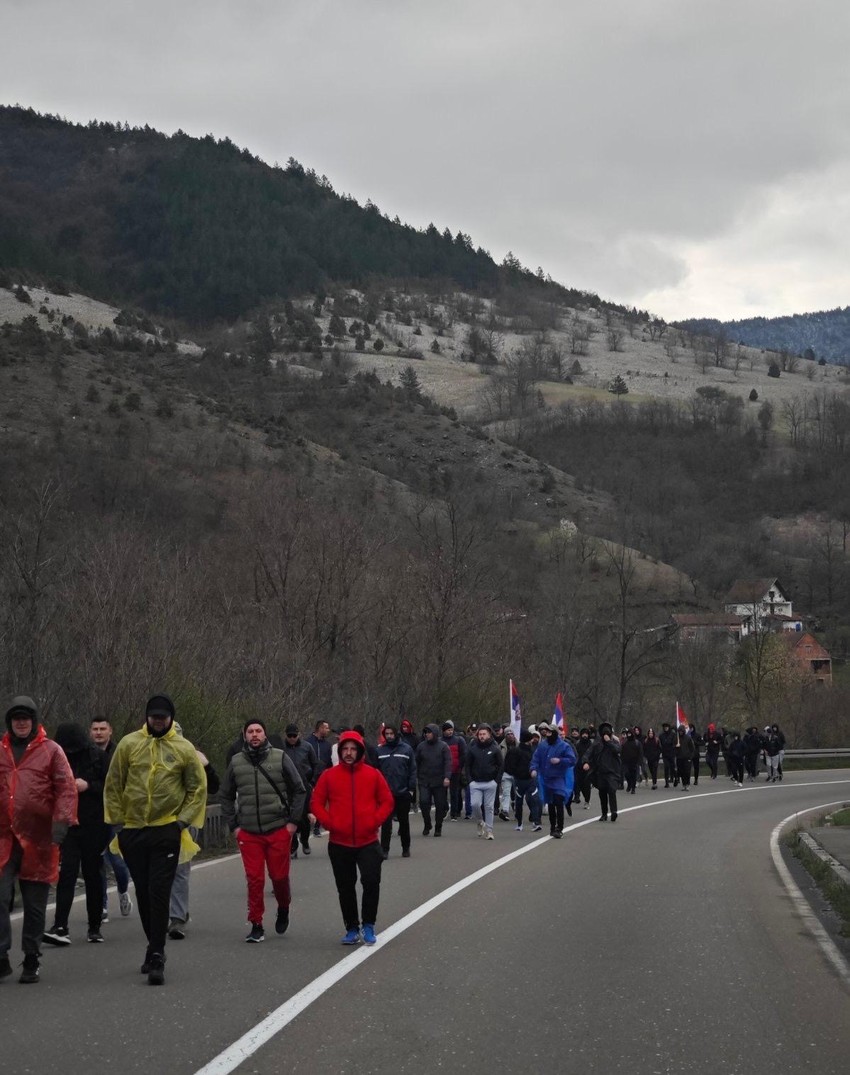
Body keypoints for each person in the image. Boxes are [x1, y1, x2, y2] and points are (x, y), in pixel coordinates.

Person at [103, 694, 207, 985]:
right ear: (147, 717)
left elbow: (197, 788)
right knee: (145, 892)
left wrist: (181, 822)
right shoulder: (128, 744)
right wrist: (119, 823)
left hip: (166, 829)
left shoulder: (183, 748)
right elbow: (114, 784)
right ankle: (153, 944)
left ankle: (158, 954)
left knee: (160, 890)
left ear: (171, 717)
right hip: (133, 829)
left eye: (163, 717)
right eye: (154, 717)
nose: (158, 721)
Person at [1, 697, 77, 984]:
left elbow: (66, 788)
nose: (21, 723)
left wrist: (61, 825)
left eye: (26, 718)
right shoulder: (1, 751)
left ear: (34, 720)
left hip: (40, 839)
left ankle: (31, 956)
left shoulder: (52, 751)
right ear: (9, 722)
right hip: (4, 838)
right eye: (16, 718)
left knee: (34, 903)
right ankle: (1, 954)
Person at [220, 719, 306, 943]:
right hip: (248, 832)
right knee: (254, 879)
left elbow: (299, 789)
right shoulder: (236, 762)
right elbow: (226, 795)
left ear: (265, 735)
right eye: (250, 731)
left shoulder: (280, 757)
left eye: (258, 731)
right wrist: (234, 826)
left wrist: (293, 823)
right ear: (244, 735)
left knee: (279, 877)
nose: (255, 735)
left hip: (278, 828)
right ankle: (256, 924)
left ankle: (283, 907)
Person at [310, 729, 394, 946]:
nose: (348, 753)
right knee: (345, 887)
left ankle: (368, 925)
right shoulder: (329, 776)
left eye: (352, 749)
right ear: (340, 751)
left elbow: (387, 802)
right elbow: (316, 803)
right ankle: (351, 927)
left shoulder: (373, 774)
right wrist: (330, 824)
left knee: (371, 882)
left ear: (360, 751)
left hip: (368, 841)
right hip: (339, 843)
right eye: (344, 749)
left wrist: (373, 821)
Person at [43, 723, 109, 946]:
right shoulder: (57, 757)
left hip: (94, 824)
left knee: (93, 874)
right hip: (69, 824)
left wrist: (88, 785)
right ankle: (60, 925)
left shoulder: (98, 757)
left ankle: (95, 926)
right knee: (67, 874)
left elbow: (111, 786)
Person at [167, 738, 220, 940]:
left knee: (180, 868)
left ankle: (177, 917)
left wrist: (206, 765)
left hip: (187, 822)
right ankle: (166, 913)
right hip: (157, 821)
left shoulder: (193, 757)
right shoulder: (152, 757)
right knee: (161, 870)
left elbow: (214, 787)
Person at [90, 716, 132, 922]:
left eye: (102, 729)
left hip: (116, 815)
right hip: (95, 816)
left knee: (117, 861)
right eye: (95, 729)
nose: (98, 732)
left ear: (110, 731)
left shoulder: (120, 752)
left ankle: (123, 890)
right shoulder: (87, 755)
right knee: (97, 860)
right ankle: (102, 905)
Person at [376, 725, 417, 858]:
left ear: (396, 734)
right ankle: (384, 850)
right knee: (386, 823)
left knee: (403, 822)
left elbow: (412, 770)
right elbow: (375, 772)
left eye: (391, 733)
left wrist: (410, 789)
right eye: (386, 733)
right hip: (386, 793)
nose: (389, 736)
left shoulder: (406, 749)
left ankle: (406, 847)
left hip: (403, 791)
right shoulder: (380, 750)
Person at [531, 723, 577, 837]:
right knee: (550, 804)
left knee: (558, 802)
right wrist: (533, 769)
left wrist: (560, 761)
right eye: (547, 732)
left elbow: (572, 760)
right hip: (546, 780)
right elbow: (535, 759)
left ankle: (559, 828)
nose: (548, 734)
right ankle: (552, 827)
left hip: (559, 779)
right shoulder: (542, 746)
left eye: (551, 732)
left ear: (555, 733)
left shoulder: (564, 746)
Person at [282, 724, 318, 858]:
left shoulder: (307, 747)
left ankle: (305, 840)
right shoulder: (281, 748)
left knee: (304, 817)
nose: (292, 738)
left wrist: (312, 781)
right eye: (289, 736)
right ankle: (293, 844)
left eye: (294, 736)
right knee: (290, 816)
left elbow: (315, 764)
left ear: (299, 735)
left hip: (304, 786)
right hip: (287, 787)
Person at [465, 724, 504, 840]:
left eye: (484, 734)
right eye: (480, 734)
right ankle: (480, 821)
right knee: (475, 804)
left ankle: (489, 831)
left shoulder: (495, 749)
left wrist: (496, 781)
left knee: (489, 807)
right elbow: (467, 765)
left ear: (489, 735)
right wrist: (470, 780)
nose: (482, 736)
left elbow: (501, 765)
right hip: (475, 783)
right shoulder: (473, 749)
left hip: (490, 782)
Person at [414, 724, 451, 836]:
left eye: (429, 732)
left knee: (440, 805)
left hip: (439, 780)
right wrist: (416, 775)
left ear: (435, 733)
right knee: (424, 802)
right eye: (426, 732)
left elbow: (448, 763)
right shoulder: (421, 746)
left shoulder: (443, 746)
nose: (427, 734)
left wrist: (447, 777)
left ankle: (438, 827)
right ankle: (427, 823)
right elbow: (416, 762)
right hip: (424, 780)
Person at [583, 722, 622, 823]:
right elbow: (588, 753)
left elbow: (617, 750)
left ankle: (614, 812)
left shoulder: (614, 742)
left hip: (612, 772)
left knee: (612, 791)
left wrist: (609, 742)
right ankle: (604, 814)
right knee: (602, 793)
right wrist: (586, 762)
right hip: (600, 772)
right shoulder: (597, 743)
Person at [504, 729, 541, 831]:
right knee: (528, 801)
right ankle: (531, 823)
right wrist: (517, 773)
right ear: (528, 740)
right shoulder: (516, 751)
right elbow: (508, 765)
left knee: (524, 801)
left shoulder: (531, 751)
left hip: (524, 780)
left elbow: (508, 766)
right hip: (524, 780)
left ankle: (526, 823)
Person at [306, 720, 333, 836]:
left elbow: (329, 762)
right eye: (326, 728)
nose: (328, 731)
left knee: (321, 801)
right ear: (320, 728)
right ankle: (306, 826)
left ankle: (317, 827)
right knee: (308, 800)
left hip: (322, 776)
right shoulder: (308, 742)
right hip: (309, 776)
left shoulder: (327, 745)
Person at [441, 721, 467, 821]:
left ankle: (454, 813)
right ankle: (445, 809)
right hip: (443, 771)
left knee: (454, 792)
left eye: (451, 730)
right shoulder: (441, 741)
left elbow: (463, 754)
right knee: (442, 792)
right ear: (444, 731)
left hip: (456, 770)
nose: (450, 732)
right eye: (448, 730)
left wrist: (460, 766)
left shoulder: (459, 740)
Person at [620, 729, 644, 795]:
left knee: (633, 775)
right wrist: (621, 759)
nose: (629, 735)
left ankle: (633, 788)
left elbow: (640, 753)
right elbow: (622, 752)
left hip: (634, 762)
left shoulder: (637, 743)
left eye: (630, 734)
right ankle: (629, 783)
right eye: (628, 734)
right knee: (626, 774)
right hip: (626, 762)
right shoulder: (625, 743)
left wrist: (639, 762)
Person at [674, 725, 696, 791]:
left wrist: (690, 757)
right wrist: (676, 746)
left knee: (687, 771)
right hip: (679, 758)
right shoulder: (677, 738)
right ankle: (684, 784)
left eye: (681, 731)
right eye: (679, 731)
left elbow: (692, 748)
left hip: (687, 758)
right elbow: (673, 748)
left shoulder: (688, 738)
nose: (680, 732)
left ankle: (687, 784)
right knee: (681, 772)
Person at [659, 722, 677, 788]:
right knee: (666, 767)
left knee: (672, 767)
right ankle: (666, 782)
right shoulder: (661, 736)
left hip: (671, 753)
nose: (666, 728)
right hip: (665, 754)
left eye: (667, 727)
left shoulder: (673, 734)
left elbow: (674, 743)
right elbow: (660, 744)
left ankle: (676, 778)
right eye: (664, 727)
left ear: (669, 727)